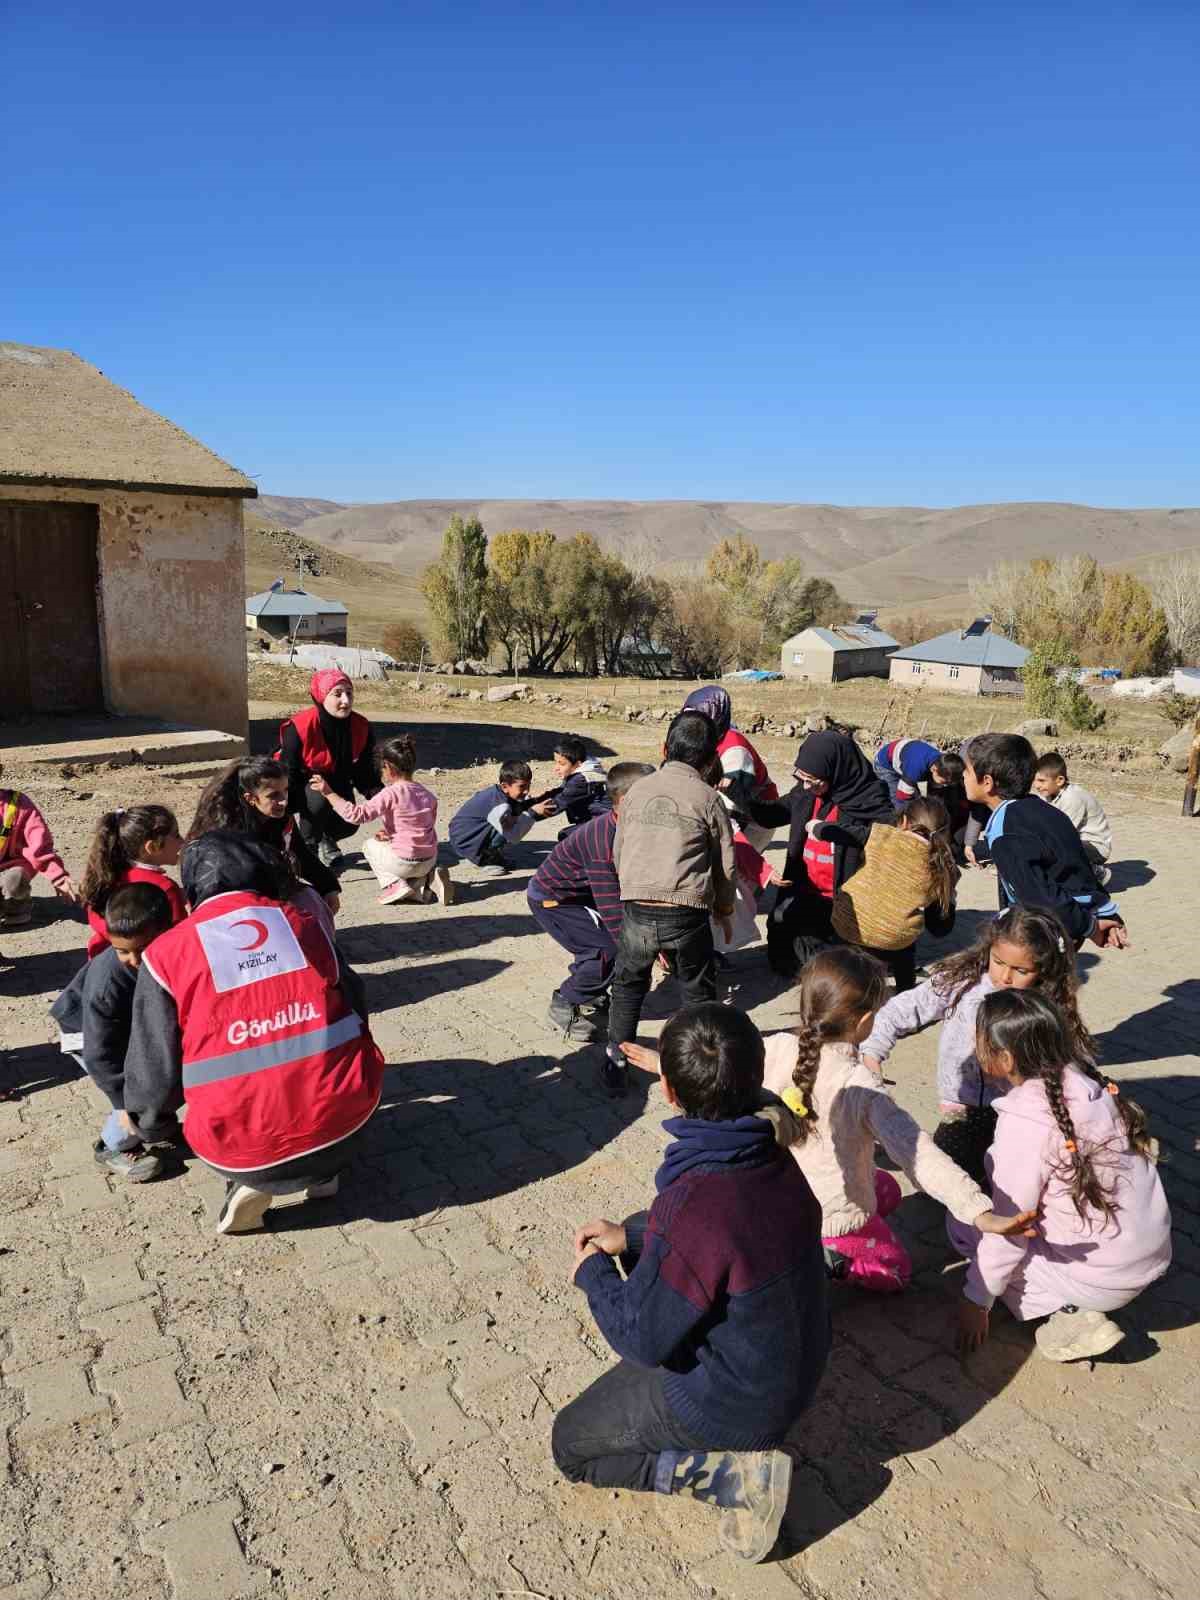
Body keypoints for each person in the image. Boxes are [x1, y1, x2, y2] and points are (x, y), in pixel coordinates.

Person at [555, 1004, 829, 1565]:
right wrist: (633, 1237)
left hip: (736, 1401)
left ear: (669, 1092)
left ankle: (736, 1478)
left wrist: (594, 1273)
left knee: (571, 1445)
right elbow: (722, 1240)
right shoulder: (774, 1153)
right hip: (795, 1362)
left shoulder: (693, 1203)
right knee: (649, 1227)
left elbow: (643, 1339)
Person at [122, 831, 384, 1235]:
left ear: (190, 897)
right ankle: (322, 1168)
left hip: (239, 1145)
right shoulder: (302, 922)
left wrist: (153, 1126)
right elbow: (356, 998)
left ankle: (245, 1182)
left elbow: (153, 1057)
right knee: (317, 1093)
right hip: (349, 1117)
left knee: (248, 1110)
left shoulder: (164, 954)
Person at [755, 947, 1034, 1289]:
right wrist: (977, 1210)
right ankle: (832, 1258)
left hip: (776, 1195)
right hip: (829, 1214)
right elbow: (916, 1151)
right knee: (897, 1272)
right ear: (863, 1023)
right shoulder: (861, 1086)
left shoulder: (772, 1047)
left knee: (886, 1189)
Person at [953, 989, 1171, 1363]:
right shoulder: (1093, 1087)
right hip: (1150, 1257)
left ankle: (1068, 1315)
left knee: (962, 1225)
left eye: (978, 1039)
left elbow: (1010, 1227)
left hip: (1101, 1279)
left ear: (1003, 1058)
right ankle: (1075, 1298)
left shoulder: (1026, 1125)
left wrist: (977, 1298)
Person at [860, 906, 1096, 1187]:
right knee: (943, 1182)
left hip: (1020, 1108)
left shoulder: (1043, 1005)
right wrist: (872, 1050)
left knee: (1014, 1179)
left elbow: (1071, 1060)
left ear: (1043, 968)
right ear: (989, 949)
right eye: (998, 961)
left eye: (1021, 970)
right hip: (962, 1106)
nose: (1005, 977)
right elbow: (902, 1010)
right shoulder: (962, 981)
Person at [605, 712, 737, 1096]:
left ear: (664, 749)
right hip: (686, 911)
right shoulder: (709, 798)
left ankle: (616, 1060)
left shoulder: (636, 793)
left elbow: (618, 852)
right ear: (711, 760)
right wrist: (724, 909)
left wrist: (632, 888)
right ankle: (698, 1072)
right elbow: (725, 864)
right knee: (696, 989)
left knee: (628, 985)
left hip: (636, 908)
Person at [50, 884, 176, 1182]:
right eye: (122, 951)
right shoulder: (108, 984)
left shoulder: (167, 953)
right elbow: (99, 1054)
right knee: (135, 1092)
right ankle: (112, 1145)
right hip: (85, 1033)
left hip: (122, 1028)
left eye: (142, 949)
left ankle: (154, 1124)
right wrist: (123, 1103)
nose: (133, 959)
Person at [747, 730, 894, 977]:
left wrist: (834, 831)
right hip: (805, 891)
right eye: (801, 778)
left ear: (835, 771)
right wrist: (739, 799)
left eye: (813, 781)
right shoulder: (806, 793)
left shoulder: (869, 800)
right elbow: (771, 815)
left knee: (842, 967)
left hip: (846, 900)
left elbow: (885, 840)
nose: (805, 786)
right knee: (784, 942)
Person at [527, 761, 654, 1042]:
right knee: (604, 950)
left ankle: (591, 990)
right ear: (625, 802)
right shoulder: (602, 842)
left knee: (610, 948)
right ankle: (565, 1002)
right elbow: (610, 908)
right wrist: (637, 946)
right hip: (554, 899)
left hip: (580, 895)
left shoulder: (628, 826)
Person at [964, 733, 1126, 949]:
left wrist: (1091, 927)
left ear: (987, 782)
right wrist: (1104, 910)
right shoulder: (1044, 810)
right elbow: (1076, 867)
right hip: (1069, 921)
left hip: (1045, 932)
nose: (962, 777)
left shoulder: (1006, 833)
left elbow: (1036, 895)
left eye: (966, 771)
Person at [830, 795, 958, 992]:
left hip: (848, 923)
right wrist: (951, 896)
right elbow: (939, 927)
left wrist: (815, 827)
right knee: (905, 946)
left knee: (851, 955)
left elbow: (844, 832)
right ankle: (905, 990)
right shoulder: (942, 865)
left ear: (904, 821)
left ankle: (846, 985)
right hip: (893, 938)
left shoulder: (881, 834)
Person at [189, 756, 341, 921]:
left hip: (271, 891)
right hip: (237, 907)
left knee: (313, 902)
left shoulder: (281, 819)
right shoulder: (226, 832)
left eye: (285, 791)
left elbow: (300, 853)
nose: (283, 801)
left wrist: (328, 887)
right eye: (273, 795)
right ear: (250, 798)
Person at [311, 733, 453, 907]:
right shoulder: (427, 794)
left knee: (369, 846)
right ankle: (427, 880)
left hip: (403, 861)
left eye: (382, 768)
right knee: (405, 854)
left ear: (388, 767)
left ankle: (394, 884)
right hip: (429, 858)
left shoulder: (390, 793)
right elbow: (423, 825)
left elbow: (357, 816)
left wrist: (328, 793)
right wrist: (390, 833)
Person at [277, 669, 379, 867]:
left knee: (350, 821)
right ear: (321, 695)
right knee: (318, 799)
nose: (346, 701)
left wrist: (382, 797)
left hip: (337, 784)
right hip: (300, 787)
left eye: (349, 693)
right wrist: (284, 813)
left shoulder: (361, 726)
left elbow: (365, 769)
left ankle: (325, 837)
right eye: (338, 693)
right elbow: (286, 773)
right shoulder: (299, 728)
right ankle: (306, 852)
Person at [79, 806, 186, 958]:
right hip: (143, 965)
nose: (182, 841)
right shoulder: (164, 888)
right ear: (152, 847)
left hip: (102, 960)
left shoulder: (107, 875)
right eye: (176, 835)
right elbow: (178, 940)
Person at [681, 685, 779, 851]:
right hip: (723, 809)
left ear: (714, 715)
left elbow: (731, 808)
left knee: (737, 866)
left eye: (696, 718)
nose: (689, 724)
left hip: (754, 819)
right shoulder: (705, 740)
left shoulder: (735, 748)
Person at [0, 762, 79, 927]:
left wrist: (58, 877)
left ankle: (16, 906)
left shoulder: (17, 803)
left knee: (15, 881)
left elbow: (39, 845)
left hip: (12, 864)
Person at [448, 760, 556, 877]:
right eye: (522, 786)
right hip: (465, 842)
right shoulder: (500, 806)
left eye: (528, 785)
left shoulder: (500, 794)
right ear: (505, 786)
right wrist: (533, 813)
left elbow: (518, 807)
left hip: (465, 836)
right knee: (509, 824)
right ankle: (485, 860)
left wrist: (534, 802)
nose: (527, 791)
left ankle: (490, 854)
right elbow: (514, 837)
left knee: (515, 816)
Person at [1032, 751, 1113, 886]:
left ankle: (1096, 872)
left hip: (1095, 847)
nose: (1036, 785)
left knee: (1054, 845)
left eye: (1041, 781)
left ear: (1059, 780)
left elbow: (1063, 833)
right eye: (1035, 780)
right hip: (1076, 841)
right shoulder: (1047, 793)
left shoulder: (1073, 798)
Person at [872, 739, 964, 809]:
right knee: (896, 799)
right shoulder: (916, 768)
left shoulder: (943, 763)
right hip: (886, 765)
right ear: (934, 769)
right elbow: (902, 797)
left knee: (919, 797)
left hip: (908, 759)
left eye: (949, 783)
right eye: (944, 782)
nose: (945, 785)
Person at [549, 734, 611, 837]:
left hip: (605, 825)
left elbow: (557, 804)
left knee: (567, 836)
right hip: (603, 822)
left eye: (562, 764)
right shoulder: (586, 773)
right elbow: (559, 792)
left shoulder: (580, 780)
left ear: (578, 764)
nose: (556, 768)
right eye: (556, 763)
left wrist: (527, 815)